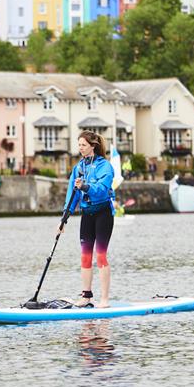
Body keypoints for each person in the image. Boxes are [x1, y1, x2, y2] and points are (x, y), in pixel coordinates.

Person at [58, 131, 115, 309]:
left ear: (93, 146)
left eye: (83, 145)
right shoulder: (78, 168)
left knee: (101, 256)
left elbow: (102, 189)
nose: (80, 148)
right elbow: (72, 195)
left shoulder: (104, 166)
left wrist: (85, 186)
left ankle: (104, 299)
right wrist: (64, 219)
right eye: (79, 145)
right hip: (87, 214)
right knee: (85, 257)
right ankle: (86, 296)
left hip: (103, 214)